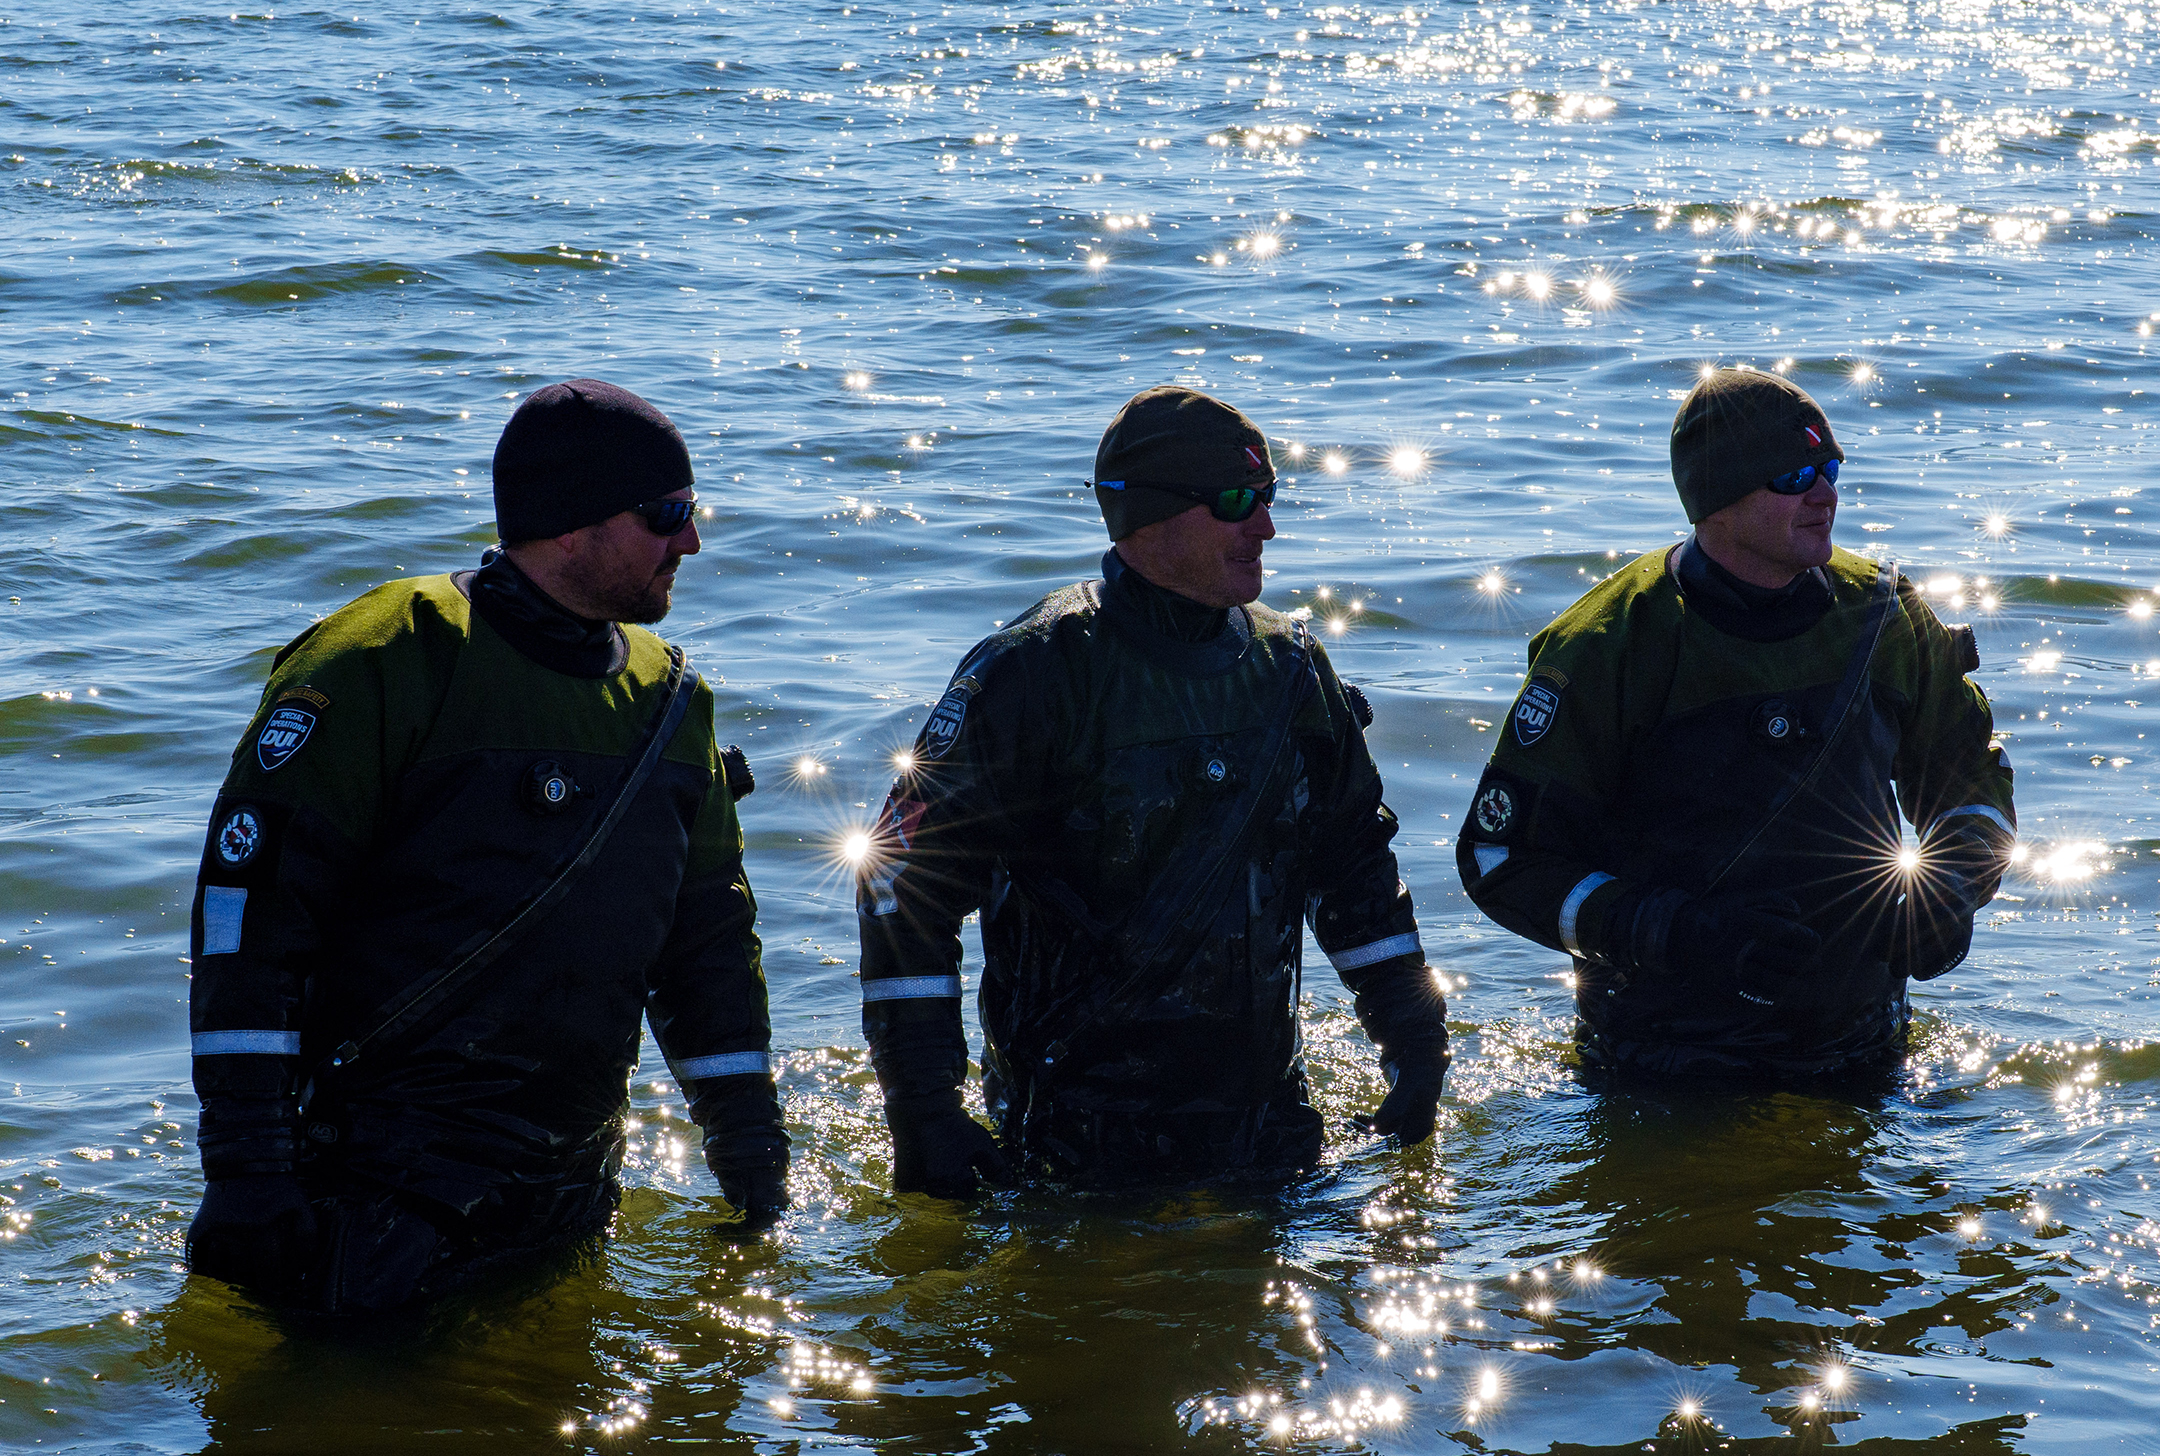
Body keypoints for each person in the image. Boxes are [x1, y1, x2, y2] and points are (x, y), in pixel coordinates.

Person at [184, 378, 788, 1314]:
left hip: (571, 1192)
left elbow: (708, 944)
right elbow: (248, 917)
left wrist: (748, 1146)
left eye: (692, 511)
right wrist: (245, 1168)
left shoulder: (673, 703)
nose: (692, 542)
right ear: (567, 524)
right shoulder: (382, 657)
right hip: (372, 1199)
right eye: (666, 514)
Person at [855, 384, 1448, 1190]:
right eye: (1237, 502)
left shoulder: (1291, 669)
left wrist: (1414, 1046)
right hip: (1068, 1146)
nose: (1265, 526)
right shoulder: (1033, 672)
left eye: (1269, 496)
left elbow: (1354, 868)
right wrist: (924, 1109)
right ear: (1147, 519)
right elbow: (901, 884)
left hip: (1269, 1132)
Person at [1456, 366, 2015, 1078]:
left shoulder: (1883, 616)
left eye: (1830, 468)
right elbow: (1498, 859)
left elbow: (1972, 779)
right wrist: (1676, 932)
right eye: (1793, 479)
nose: (1825, 496)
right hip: (1662, 1056)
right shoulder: (1609, 643)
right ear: (1715, 502)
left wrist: (1948, 890)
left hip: (1862, 1045)